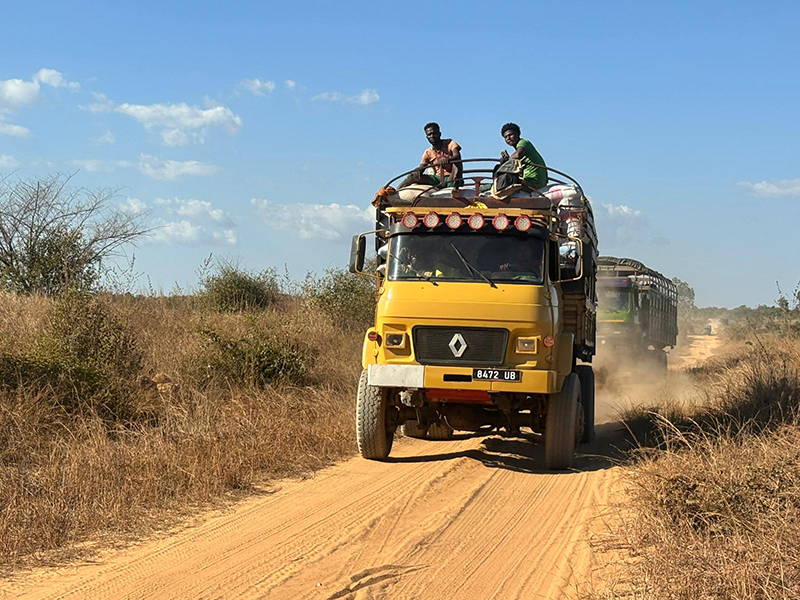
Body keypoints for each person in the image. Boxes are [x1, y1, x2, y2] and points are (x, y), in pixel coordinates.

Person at [398, 122, 462, 188]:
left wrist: (448, 160)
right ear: (427, 137)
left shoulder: (450, 143)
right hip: (438, 179)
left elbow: (456, 155)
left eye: (434, 133)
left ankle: (455, 188)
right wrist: (417, 171)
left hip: (452, 177)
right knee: (413, 176)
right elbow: (422, 167)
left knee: (456, 163)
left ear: (439, 134)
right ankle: (395, 192)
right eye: (429, 134)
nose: (432, 136)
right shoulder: (428, 152)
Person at [499, 122, 548, 189]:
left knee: (502, 184)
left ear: (518, 134)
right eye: (506, 137)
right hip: (533, 181)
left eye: (511, 135)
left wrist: (507, 161)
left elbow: (518, 155)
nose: (508, 138)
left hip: (533, 181)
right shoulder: (519, 148)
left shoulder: (523, 143)